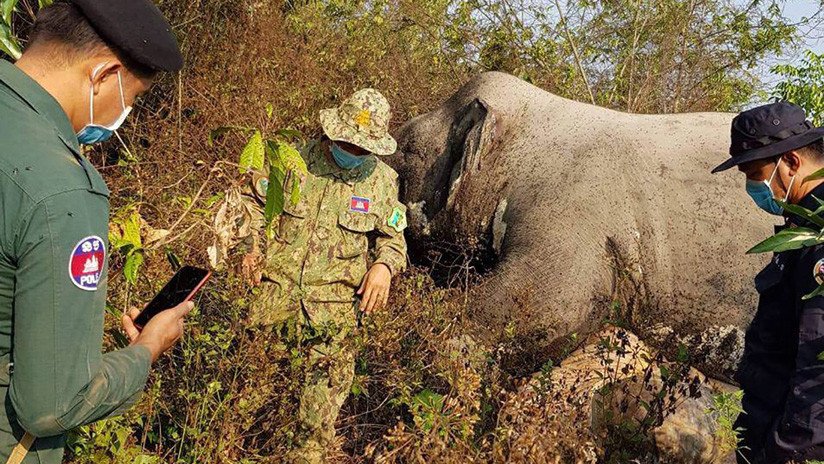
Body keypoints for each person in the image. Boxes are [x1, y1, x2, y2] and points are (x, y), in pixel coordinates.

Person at [0, 1, 190, 462]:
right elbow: (50, 403)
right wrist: (146, 350)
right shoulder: (62, 190)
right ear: (102, 75)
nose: (123, 112)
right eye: (131, 99)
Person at [247, 88, 408, 463]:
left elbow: (393, 239)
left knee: (313, 428)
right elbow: (253, 207)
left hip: (332, 318)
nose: (352, 153)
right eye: (346, 143)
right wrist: (250, 249)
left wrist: (384, 267)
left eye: (361, 148)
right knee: (243, 400)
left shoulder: (383, 181)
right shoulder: (292, 160)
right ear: (332, 132)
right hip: (272, 301)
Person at [712, 101, 824, 463]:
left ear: (790, 162)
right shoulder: (802, 226)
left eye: (753, 172)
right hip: (770, 428)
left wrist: (786, 452)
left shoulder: (818, 239)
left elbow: (816, 363)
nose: (752, 187)